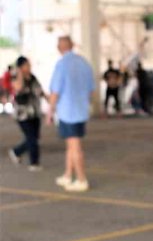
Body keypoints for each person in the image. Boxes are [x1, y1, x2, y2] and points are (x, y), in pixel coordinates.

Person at [47, 35, 94, 192]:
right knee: (71, 145)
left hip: (68, 112)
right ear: (72, 45)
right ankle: (68, 175)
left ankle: (81, 179)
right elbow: (91, 90)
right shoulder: (84, 63)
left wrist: (50, 111)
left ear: (59, 48)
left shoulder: (61, 65)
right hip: (81, 110)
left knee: (75, 147)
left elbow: (55, 91)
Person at [8, 56, 46, 171]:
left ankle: (16, 151)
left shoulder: (32, 77)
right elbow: (18, 88)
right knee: (32, 138)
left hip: (34, 112)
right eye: (27, 65)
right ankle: (34, 163)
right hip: (22, 114)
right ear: (21, 66)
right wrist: (20, 74)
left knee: (35, 137)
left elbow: (39, 90)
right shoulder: (15, 76)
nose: (29, 67)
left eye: (29, 64)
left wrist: (49, 100)